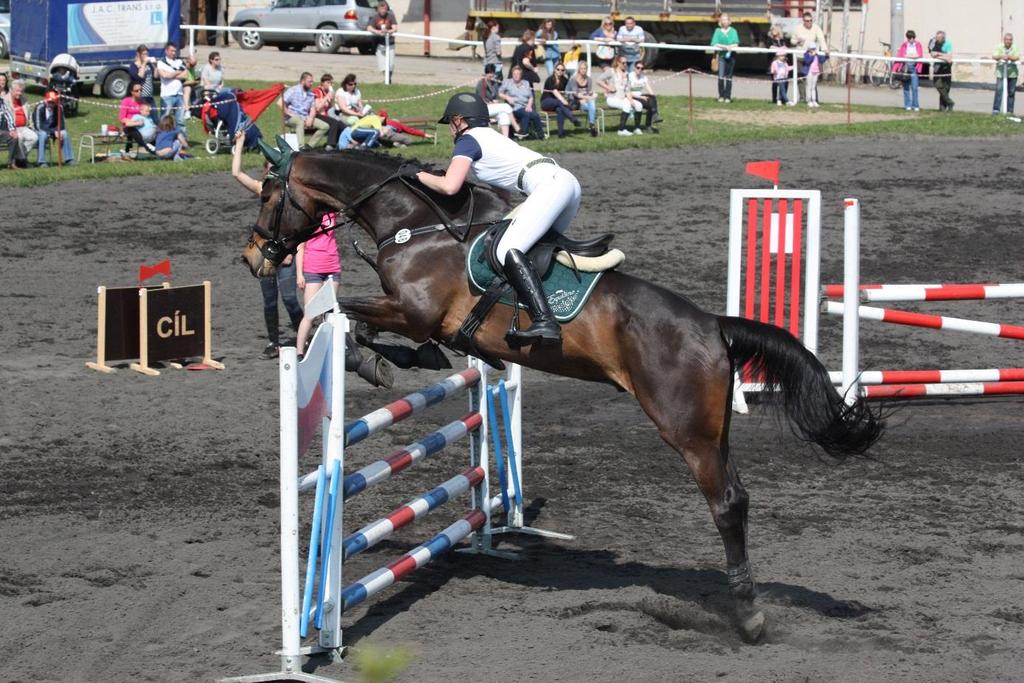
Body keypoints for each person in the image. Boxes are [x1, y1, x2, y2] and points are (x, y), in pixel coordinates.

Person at [411, 92, 582, 345]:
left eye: (450, 122)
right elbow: (502, 198)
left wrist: (418, 175)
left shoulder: (468, 140)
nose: (450, 129)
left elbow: (450, 185)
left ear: (459, 120)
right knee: (532, 250)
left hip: (550, 186)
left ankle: (545, 321)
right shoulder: (492, 139)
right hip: (566, 185)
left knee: (506, 250)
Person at [231, 131, 304, 359]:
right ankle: (273, 342)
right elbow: (236, 173)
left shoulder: (294, 192)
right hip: (261, 248)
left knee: (290, 299)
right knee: (269, 300)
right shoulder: (264, 187)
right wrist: (240, 144)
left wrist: (292, 251)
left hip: (284, 250)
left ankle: (304, 335)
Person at [295, 211, 343, 356]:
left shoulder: (331, 213)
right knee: (310, 313)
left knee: (329, 312)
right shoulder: (307, 218)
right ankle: (299, 352)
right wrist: (299, 274)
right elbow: (300, 247)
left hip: (332, 265)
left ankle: (329, 349)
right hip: (313, 268)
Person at [790, 11, 829, 105]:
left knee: (812, 80)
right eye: (807, 21)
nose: (809, 22)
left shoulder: (816, 28)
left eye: (810, 21)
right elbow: (792, 41)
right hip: (800, 57)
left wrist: (825, 49)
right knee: (801, 78)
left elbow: (821, 39)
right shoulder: (797, 28)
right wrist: (797, 41)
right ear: (803, 21)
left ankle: (813, 99)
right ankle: (803, 98)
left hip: (811, 59)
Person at [283, 72, 329, 149]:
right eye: (309, 81)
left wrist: (310, 119)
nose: (311, 83)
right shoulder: (293, 90)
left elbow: (313, 108)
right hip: (290, 118)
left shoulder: (310, 94)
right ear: (302, 81)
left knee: (325, 126)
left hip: (305, 117)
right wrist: (288, 113)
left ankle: (309, 146)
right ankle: (301, 147)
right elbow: (281, 102)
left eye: (312, 81)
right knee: (299, 121)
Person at [598, 55, 642, 136]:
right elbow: (598, 80)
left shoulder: (626, 74)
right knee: (627, 105)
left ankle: (637, 128)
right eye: (623, 63)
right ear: (618, 63)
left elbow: (627, 90)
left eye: (626, 63)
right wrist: (608, 87)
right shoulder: (611, 71)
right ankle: (621, 130)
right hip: (612, 98)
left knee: (638, 105)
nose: (625, 65)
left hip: (622, 98)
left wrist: (631, 101)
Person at [499, 65, 543, 140]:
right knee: (526, 114)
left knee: (535, 115)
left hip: (526, 106)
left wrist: (529, 105)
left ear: (521, 75)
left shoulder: (526, 83)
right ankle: (522, 133)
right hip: (514, 107)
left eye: (518, 74)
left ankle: (540, 135)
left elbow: (531, 97)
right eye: (514, 74)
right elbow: (500, 93)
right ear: (512, 74)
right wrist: (507, 97)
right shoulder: (508, 82)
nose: (516, 76)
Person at [32, 90, 74, 166]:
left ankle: (69, 159)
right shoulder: (39, 107)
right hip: (41, 130)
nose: (51, 104)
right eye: (49, 102)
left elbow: (62, 124)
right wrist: (52, 131)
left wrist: (58, 131)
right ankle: (41, 161)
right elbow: (38, 126)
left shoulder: (59, 107)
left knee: (64, 133)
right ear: (45, 100)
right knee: (43, 135)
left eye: (53, 102)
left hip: (54, 130)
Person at [478, 64, 518, 137]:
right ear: (486, 73)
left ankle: (505, 139)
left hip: (492, 107)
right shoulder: (481, 83)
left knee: (504, 115)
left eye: (493, 74)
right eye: (490, 74)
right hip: (483, 108)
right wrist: (491, 103)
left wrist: (496, 101)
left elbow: (497, 96)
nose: (492, 76)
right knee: (506, 106)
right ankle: (516, 127)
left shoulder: (494, 83)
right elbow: (481, 99)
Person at [156, 42, 188, 135]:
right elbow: (164, 75)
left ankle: (182, 141)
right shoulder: (161, 62)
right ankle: (162, 138)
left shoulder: (180, 62)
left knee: (180, 120)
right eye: (171, 51)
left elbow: (185, 75)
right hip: (167, 95)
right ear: (166, 51)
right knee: (164, 118)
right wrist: (178, 72)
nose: (174, 53)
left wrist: (171, 74)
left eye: (175, 51)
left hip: (179, 94)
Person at [541, 63, 579, 138]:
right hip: (546, 102)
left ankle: (561, 133)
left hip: (558, 104)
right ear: (555, 70)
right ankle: (572, 118)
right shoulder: (550, 79)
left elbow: (569, 89)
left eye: (562, 70)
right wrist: (563, 100)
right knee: (559, 102)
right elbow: (555, 91)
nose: (560, 71)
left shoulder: (564, 80)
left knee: (560, 110)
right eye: (558, 69)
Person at [120, 84, 158, 157]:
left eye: (141, 90)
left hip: (142, 126)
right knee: (133, 130)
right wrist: (134, 122)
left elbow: (147, 113)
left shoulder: (143, 101)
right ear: (132, 92)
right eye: (137, 91)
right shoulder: (126, 101)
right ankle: (145, 146)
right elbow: (122, 118)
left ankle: (158, 149)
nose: (139, 92)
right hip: (130, 125)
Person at [565, 61, 599, 137]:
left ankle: (592, 125)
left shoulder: (589, 79)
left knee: (591, 104)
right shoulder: (573, 79)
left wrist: (590, 94)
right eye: (582, 68)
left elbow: (588, 91)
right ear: (579, 69)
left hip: (586, 101)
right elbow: (575, 94)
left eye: (585, 68)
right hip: (576, 102)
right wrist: (587, 97)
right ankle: (592, 125)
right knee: (592, 106)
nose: (583, 70)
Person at [711, 13, 739, 103]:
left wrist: (731, 46)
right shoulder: (717, 31)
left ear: (729, 21)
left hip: (731, 56)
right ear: (720, 22)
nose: (724, 21)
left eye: (726, 19)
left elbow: (736, 43)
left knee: (729, 77)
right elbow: (714, 43)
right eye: (722, 20)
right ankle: (721, 96)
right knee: (721, 76)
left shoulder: (733, 31)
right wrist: (725, 47)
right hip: (722, 56)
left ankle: (728, 96)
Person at [7, 81, 38, 162]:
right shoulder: (4, 100)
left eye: (21, 91)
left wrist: (31, 127)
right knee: (19, 138)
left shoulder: (24, 100)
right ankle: (22, 160)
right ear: (11, 90)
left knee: (34, 137)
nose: (20, 93)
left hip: (24, 127)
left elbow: (29, 115)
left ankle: (19, 158)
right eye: (17, 91)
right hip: (11, 128)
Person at [367, 1, 398, 82]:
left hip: (390, 43)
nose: (383, 10)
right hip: (379, 44)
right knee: (382, 64)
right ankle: (387, 79)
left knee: (390, 64)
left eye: (384, 9)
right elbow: (369, 27)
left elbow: (395, 28)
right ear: (378, 9)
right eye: (381, 9)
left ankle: (388, 80)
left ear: (387, 9)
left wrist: (388, 31)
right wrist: (377, 31)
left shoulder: (391, 16)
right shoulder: (375, 17)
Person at [627, 61, 660, 133]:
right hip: (631, 96)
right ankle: (651, 121)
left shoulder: (643, 77)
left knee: (651, 99)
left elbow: (648, 88)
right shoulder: (629, 76)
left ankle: (653, 118)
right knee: (650, 106)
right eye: (638, 68)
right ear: (634, 68)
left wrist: (653, 96)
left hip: (640, 96)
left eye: (642, 68)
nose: (640, 70)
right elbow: (627, 92)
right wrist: (641, 97)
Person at [895, 30, 923, 111]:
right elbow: (901, 55)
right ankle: (907, 105)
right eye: (910, 38)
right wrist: (910, 56)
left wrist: (911, 56)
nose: (912, 39)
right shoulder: (904, 45)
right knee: (906, 88)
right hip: (905, 68)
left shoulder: (918, 44)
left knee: (914, 88)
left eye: (913, 38)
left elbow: (919, 55)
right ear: (907, 38)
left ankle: (915, 105)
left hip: (914, 68)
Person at [993, 33, 1019, 115]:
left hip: (1012, 73)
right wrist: (1001, 56)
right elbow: (994, 56)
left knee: (1011, 92)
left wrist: (1009, 57)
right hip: (1001, 73)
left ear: (1012, 40)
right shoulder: (999, 46)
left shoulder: (1015, 47)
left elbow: (1017, 57)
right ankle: (996, 110)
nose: (1008, 41)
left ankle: (1010, 111)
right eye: (1007, 39)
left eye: (1010, 39)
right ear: (1004, 40)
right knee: (999, 91)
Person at [928, 31, 954, 112]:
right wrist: (943, 56)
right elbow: (932, 54)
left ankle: (942, 108)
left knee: (946, 87)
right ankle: (950, 102)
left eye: (938, 38)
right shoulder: (934, 43)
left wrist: (938, 55)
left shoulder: (948, 44)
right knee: (938, 84)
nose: (937, 39)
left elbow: (949, 57)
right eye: (936, 37)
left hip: (946, 68)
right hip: (937, 67)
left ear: (943, 38)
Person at [0, 95, 27, 169]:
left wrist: (12, 130)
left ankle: (10, 163)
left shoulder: (1, 102)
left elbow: (8, 115)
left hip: (1, 131)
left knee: (14, 137)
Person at [800, 43, 827, 108]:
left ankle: (814, 100)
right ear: (809, 49)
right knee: (808, 86)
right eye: (812, 49)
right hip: (809, 72)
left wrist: (827, 55)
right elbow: (807, 62)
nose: (813, 50)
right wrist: (812, 56)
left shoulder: (817, 55)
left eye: (814, 49)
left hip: (816, 72)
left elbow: (822, 61)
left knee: (813, 87)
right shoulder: (806, 54)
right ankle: (809, 101)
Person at [767, 25, 786, 104]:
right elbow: (771, 47)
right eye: (772, 30)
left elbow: (785, 48)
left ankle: (782, 98)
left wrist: (780, 50)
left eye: (774, 29)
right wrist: (780, 49)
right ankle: (774, 99)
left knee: (783, 81)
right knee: (775, 82)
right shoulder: (769, 40)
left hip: (782, 63)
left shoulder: (782, 40)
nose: (773, 31)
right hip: (774, 63)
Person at [182, 53, 200, 118]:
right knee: (188, 88)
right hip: (183, 87)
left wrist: (196, 80)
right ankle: (186, 110)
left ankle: (195, 110)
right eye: (192, 65)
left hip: (192, 85)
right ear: (187, 61)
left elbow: (192, 79)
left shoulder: (191, 68)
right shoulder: (182, 68)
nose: (193, 67)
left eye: (194, 65)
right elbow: (182, 83)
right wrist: (193, 82)